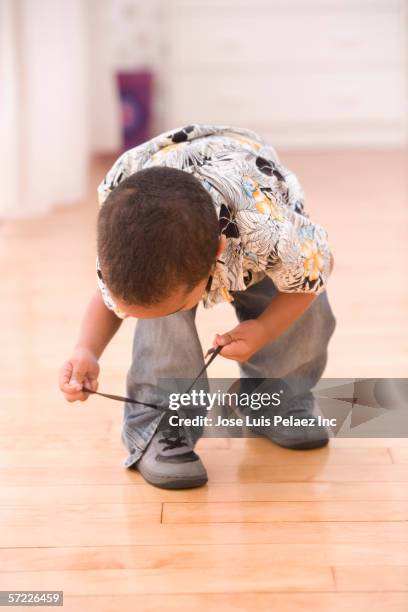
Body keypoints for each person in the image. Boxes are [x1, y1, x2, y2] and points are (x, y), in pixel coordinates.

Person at [58, 124, 336, 489]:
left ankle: (277, 397)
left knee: (300, 313)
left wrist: (266, 329)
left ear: (215, 259)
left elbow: (315, 273)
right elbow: (111, 297)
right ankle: (160, 421)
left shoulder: (270, 231)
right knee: (161, 316)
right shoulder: (122, 229)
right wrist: (86, 350)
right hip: (166, 185)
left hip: (252, 197)